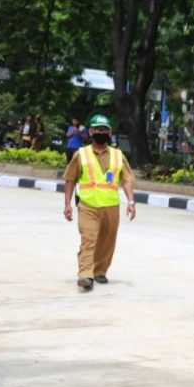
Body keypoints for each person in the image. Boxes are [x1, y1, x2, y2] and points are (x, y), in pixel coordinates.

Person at [62, 114, 136, 290]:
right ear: (90, 132)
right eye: (97, 129)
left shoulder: (118, 155)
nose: (100, 132)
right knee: (89, 239)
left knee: (107, 241)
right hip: (88, 205)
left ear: (110, 132)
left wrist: (131, 202)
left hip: (111, 206)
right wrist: (67, 204)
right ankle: (86, 274)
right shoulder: (81, 154)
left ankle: (100, 271)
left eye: (104, 129)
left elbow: (126, 180)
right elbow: (70, 179)